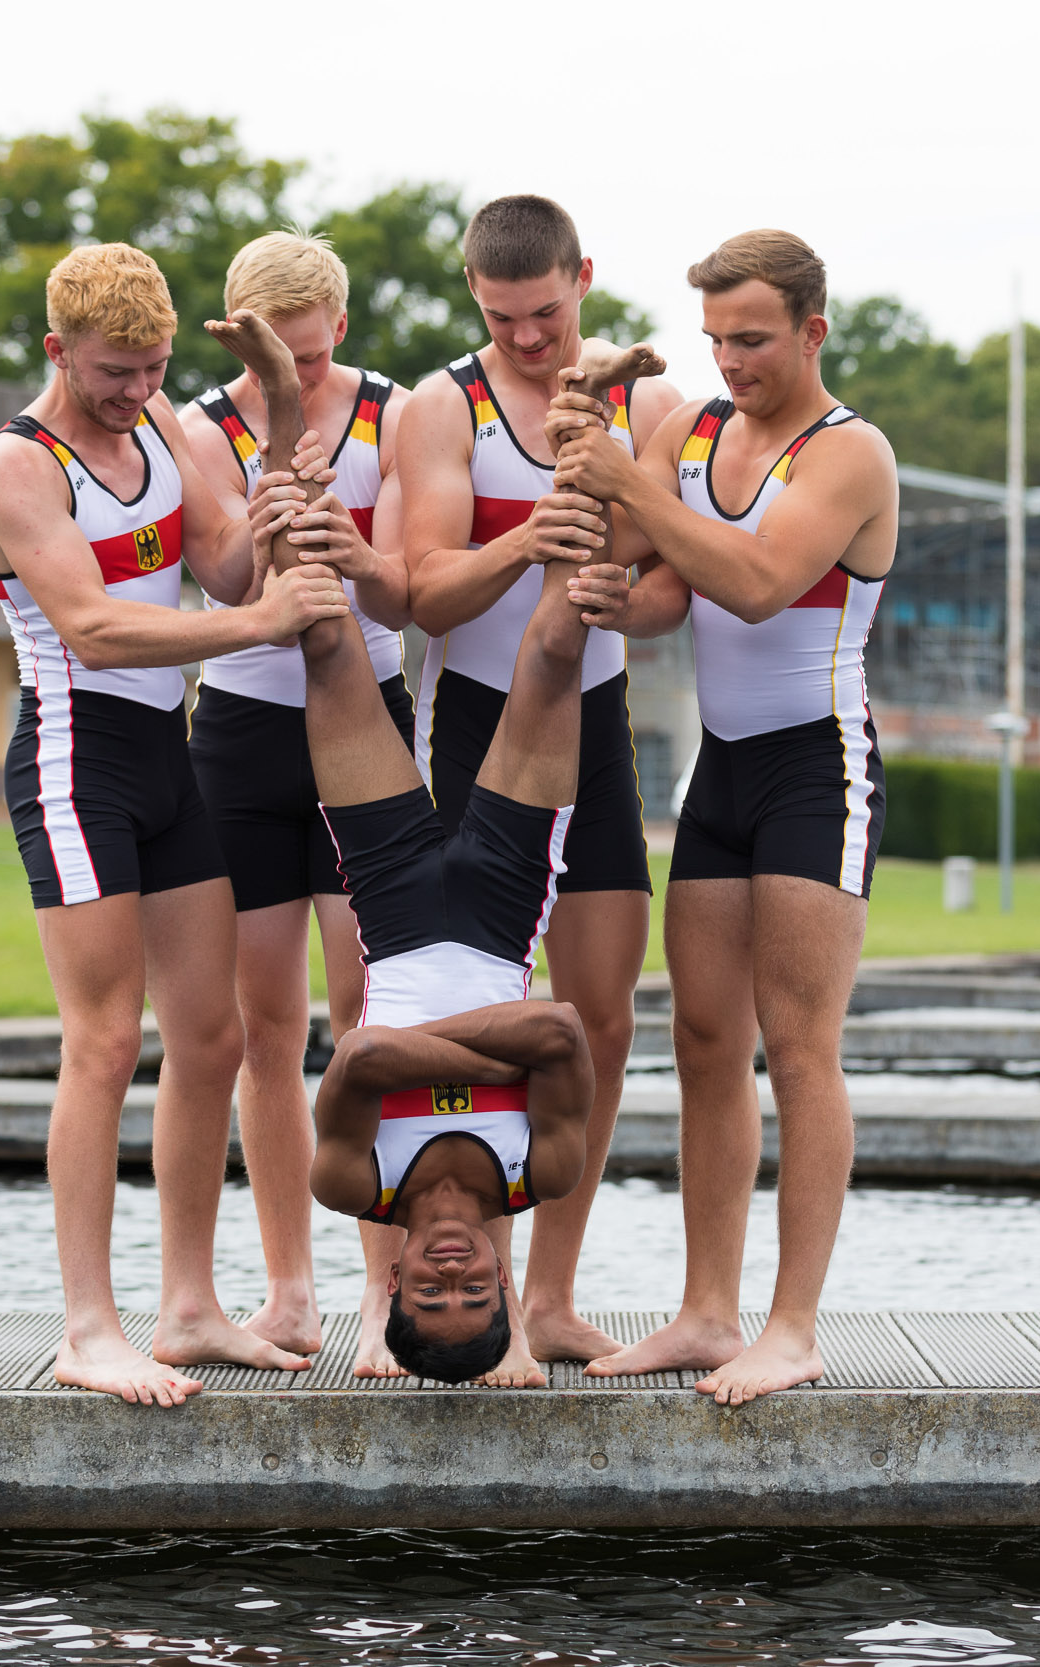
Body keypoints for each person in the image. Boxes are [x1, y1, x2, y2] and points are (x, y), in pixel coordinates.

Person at [0, 240, 352, 1407]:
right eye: (112, 373)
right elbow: (92, 627)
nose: (136, 390)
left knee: (216, 1035)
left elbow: (231, 570)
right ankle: (90, 1324)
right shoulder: (16, 468)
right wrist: (261, 626)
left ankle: (188, 1305)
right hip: (74, 758)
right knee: (100, 1039)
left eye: (153, 369)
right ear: (56, 351)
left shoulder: (169, 435)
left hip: (164, 763)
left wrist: (278, 471)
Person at [540, 229, 899, 1405]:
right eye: (714, 342)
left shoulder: (849, 454)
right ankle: (707, 1311)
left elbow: (753, 582)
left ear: (811, 329)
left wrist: (625, 477)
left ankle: (790, 1326)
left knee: (798, 1048)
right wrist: (612, 592)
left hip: (816, 769)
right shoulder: (696, 435)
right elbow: (664, 584)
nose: (730, 361)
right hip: (722, 772)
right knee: (703, 1040)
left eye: (751, 339)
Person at [267, 333, 667, 1383]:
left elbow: (355, 1056)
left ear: (393, 1284)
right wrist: (468, 1051)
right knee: (559, 636)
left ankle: (279, 422)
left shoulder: (356, 1185)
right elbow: (558, 1024)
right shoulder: (545, 1166)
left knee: (325, 639)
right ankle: (582, 418)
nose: (453, 1272)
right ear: (502, 1280)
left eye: (432, 1293)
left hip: (391, 902)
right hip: (501, 900)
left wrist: (474, 1057)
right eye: (476, 1291)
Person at [390, 192, 684, 1372]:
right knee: (480, 1020)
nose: (527, 339)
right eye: (505, 317)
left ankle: (555, 1293)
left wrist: (625, 595)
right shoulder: (440, 404)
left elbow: (675, 587)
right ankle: (495, 1291)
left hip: (595, 718)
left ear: (585, 278)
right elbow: (424, 591)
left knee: (600, 1018)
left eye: (548, 314)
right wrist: (537, 534)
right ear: (475, 293)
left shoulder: (652, 404)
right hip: (473, 724)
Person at [173, 232, 414, 1361]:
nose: (299, 381)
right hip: (242, 731)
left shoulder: (396, 412)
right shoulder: (196, 427)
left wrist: (348, 534)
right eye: (280, 361)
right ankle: (288, 1289)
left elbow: (407, 592)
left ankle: (383, 1285)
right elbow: (229, 574)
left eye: (313, 361)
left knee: (365, 1009)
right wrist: (275, 499)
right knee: (263, 1025)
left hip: (362, 721)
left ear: (340, 333)